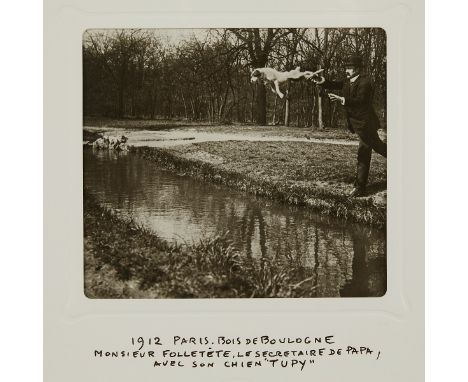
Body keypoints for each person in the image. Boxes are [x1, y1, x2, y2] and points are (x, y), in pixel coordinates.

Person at [310, 56, 387, 197]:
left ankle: (360, 187)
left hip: (366, 123)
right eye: (346, 67)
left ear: (357, 69)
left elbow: (360, 101)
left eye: (349, 68)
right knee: (379, 147)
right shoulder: (348, 81)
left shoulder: (365, 82)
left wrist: (342, 99)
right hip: (358, 123)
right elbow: (335, 84)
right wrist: (321, 81)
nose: (346, 70)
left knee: (363, 153)